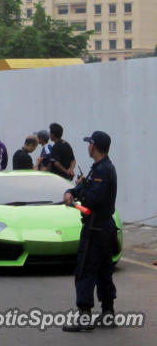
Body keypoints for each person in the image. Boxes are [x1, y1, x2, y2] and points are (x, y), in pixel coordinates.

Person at [62, 131, 117, 332]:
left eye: (89, 144)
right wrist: (71, 192)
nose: (88, 147)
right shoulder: (99, 169)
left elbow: (94, 198)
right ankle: (108, 313)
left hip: (96, 227)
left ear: (93, 146)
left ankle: (85, 316)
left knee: (85, 269)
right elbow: (86, 187)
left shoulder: (103, 170)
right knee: (104, 270)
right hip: (103, 227)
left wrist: (79, 193)